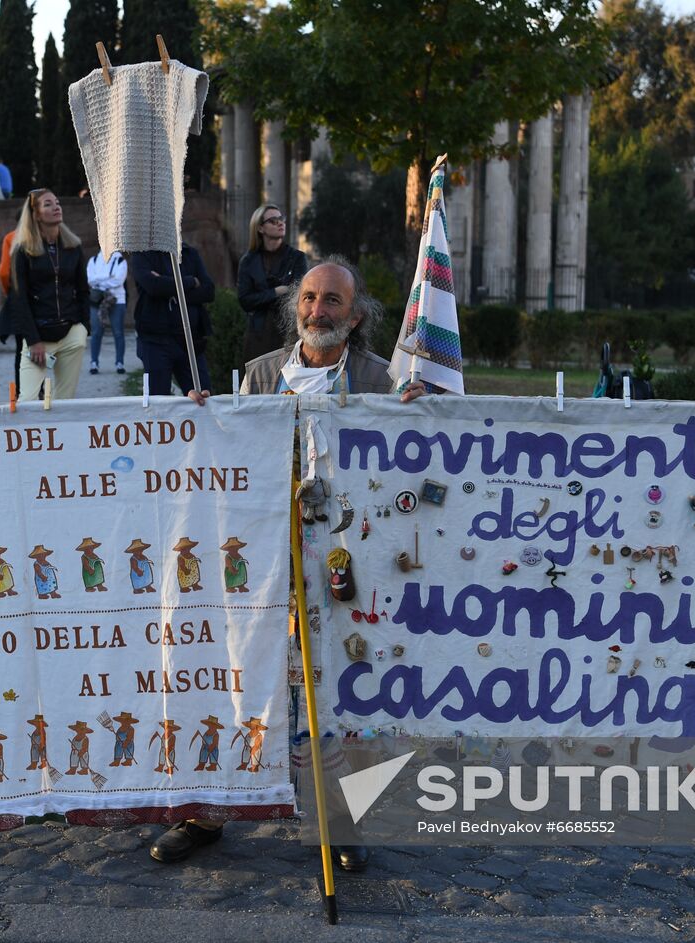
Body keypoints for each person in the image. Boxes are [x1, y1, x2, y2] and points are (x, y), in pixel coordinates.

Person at [159, 259, 425, 868]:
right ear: (294, 308)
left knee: (344, 693)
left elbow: (406, 468)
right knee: (240, 677)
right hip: (264, 563)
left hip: (345, 565)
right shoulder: (258, 376)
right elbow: (225, 458)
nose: (318, 310)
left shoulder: (380, 380)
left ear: (356, 316)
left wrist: (417, 413)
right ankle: (208, 809)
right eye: (308, 298)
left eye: (333, 300)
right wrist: (204, 416)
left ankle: (341, 820)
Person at [0, 189, 90, 402]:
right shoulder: (22, 251)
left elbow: (83, 290)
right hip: (38, 337)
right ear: (36, 214)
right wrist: (33, 339)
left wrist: (83, 328)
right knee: (27, 401)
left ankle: (62, 436)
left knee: (64, 402)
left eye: (57, 202)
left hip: (71, 334)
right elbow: (18, 299)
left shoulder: (73, 247)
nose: (56, 207)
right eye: (48, 204)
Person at [130, 246, 213, 394]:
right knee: (158, 402)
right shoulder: (142, 254)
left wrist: (168, 286)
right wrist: (191, 281)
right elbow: (153, 286)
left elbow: (208, 291)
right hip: (155, 341)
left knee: (203, 397)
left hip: (190, 340)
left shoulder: (189, 252)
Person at [237, 204, 310, 365]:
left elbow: (299, 295)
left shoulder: (297, 258)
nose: (280, 223)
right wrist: (276, 292)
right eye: (273, 220)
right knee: (258, 384)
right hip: (258, 335)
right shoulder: (248, 261)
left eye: (281, 219)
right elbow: (245, 301)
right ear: (260, 228)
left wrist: (263, 297)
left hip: (290, 333)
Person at [86, 249, 128, 374]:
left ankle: (119, 363)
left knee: (118, 332)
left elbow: (119, 281)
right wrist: (107, 278)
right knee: (96, 333)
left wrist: (99, 281)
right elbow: (90, 280)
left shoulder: (120, 260)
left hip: (117, 300)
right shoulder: (93, 260)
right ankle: (94, 363)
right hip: (97, 300)